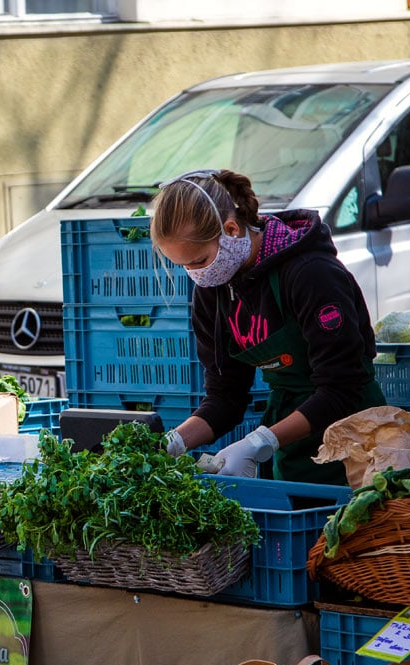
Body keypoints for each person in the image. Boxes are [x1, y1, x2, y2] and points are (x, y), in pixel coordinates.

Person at [151, 168, 384, 484]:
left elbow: (342, 386)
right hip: (291, 443)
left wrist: (259, 442)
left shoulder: (310, 274)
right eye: (184, 267)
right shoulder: (212, 291)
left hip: (357, 442)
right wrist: (171, 443)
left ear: (231, 230)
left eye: (198, 261)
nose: (194, 274)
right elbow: (225, 397)